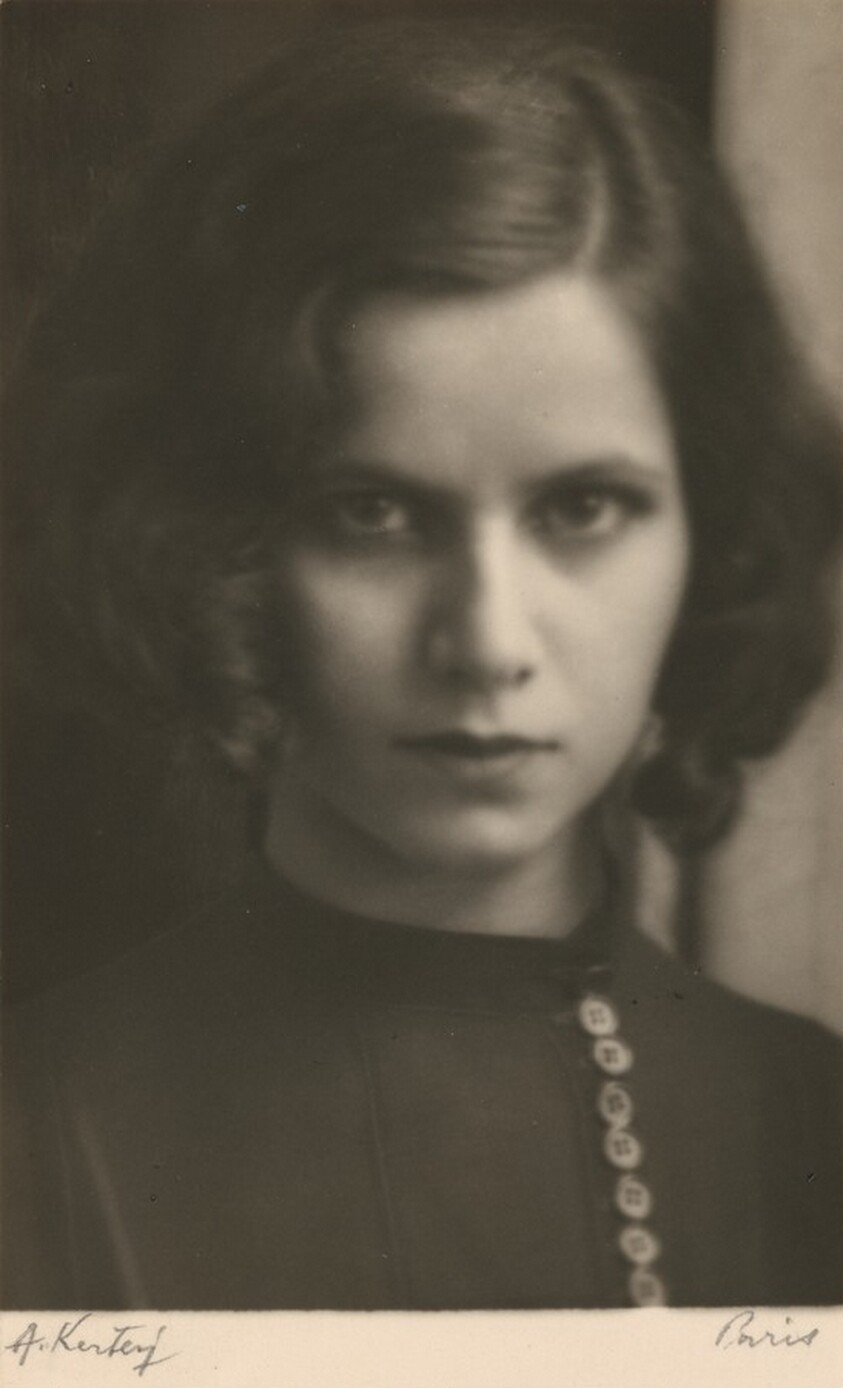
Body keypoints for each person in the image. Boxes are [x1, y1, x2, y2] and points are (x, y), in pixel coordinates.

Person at [3, 13, 842, 1311]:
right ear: (220, 543)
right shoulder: (42, 1131)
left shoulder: (808, 1132)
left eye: (583, 510)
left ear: (708, 529)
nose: (488, 645)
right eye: (373, 514)